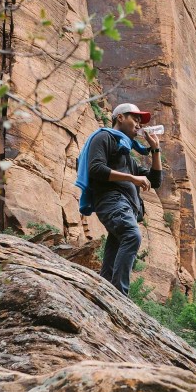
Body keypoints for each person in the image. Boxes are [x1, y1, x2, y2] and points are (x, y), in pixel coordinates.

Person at [77, 103, 162, 296]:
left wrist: (156, 150)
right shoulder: (104, 137)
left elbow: (155, 181)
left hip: (126, 206)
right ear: (120, 117)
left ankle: (103, 294)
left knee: (114, 253)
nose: (139, 124)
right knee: (132, 236)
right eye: (135, 118)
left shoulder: (128, 156)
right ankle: (120, 296)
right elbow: (95, 169)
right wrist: (131, 178)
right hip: (112, 200)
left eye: (141, 121)